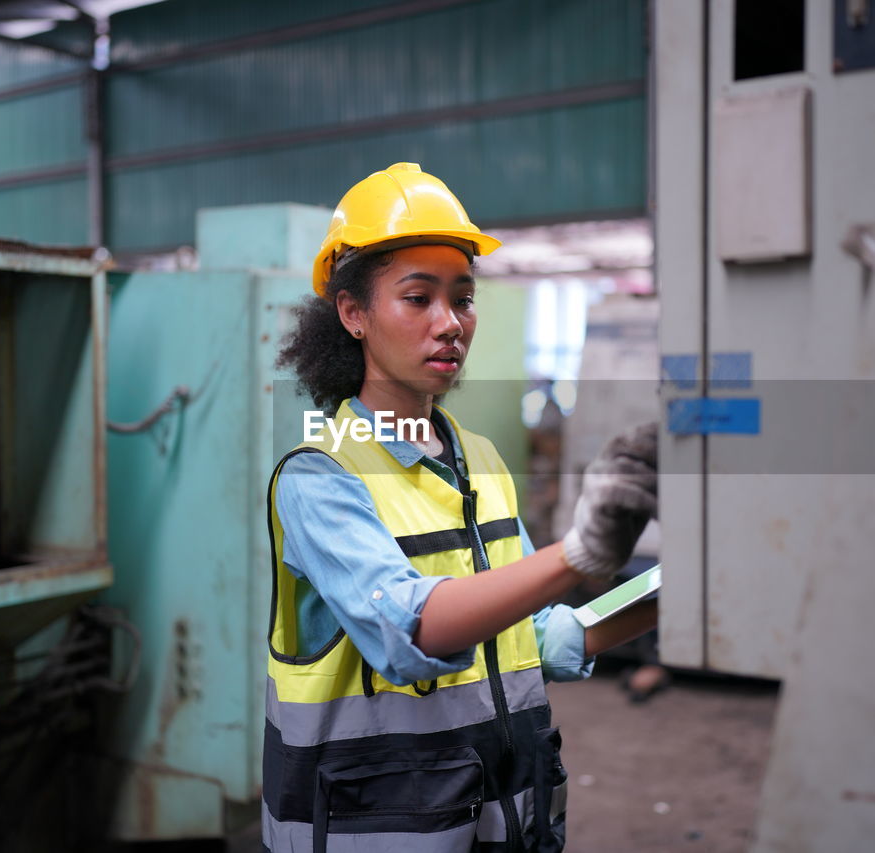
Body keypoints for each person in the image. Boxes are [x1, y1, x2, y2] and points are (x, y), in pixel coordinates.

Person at [264, 162, 659, 852]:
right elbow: (412, 632)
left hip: (503, 819)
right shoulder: (320, 475)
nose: (451, 324)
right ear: (353, 314)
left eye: (463, 299)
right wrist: (577, 553)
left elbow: (526, 639)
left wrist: (698, 583)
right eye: (418, 298)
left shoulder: (479, 458)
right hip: (381, 826)